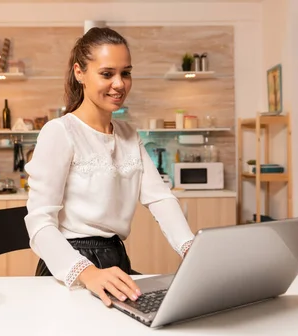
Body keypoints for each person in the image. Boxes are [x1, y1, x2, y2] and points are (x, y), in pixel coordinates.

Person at [24, 27, 195, 307]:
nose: (119, 84)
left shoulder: (129, 134)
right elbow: (39, 222)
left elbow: (160, 198)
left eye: (125, 73)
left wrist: (189, 248)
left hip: (115, 259)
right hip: (72, 266)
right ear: (80, 73)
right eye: (107, 74)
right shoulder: (60, 131)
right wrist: (87, 273)